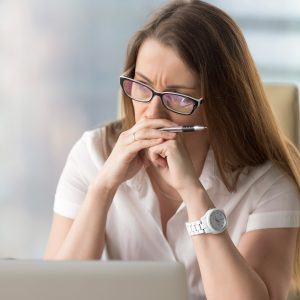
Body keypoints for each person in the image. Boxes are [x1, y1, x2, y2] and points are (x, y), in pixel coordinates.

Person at [44, 0, 300, 299]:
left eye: (177, 98)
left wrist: (193, 192)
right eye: (142, 86)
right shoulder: (91, 155)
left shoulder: (268, 184)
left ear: (219, 103)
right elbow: (56, 291)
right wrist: (102, 188)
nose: (152, 113)